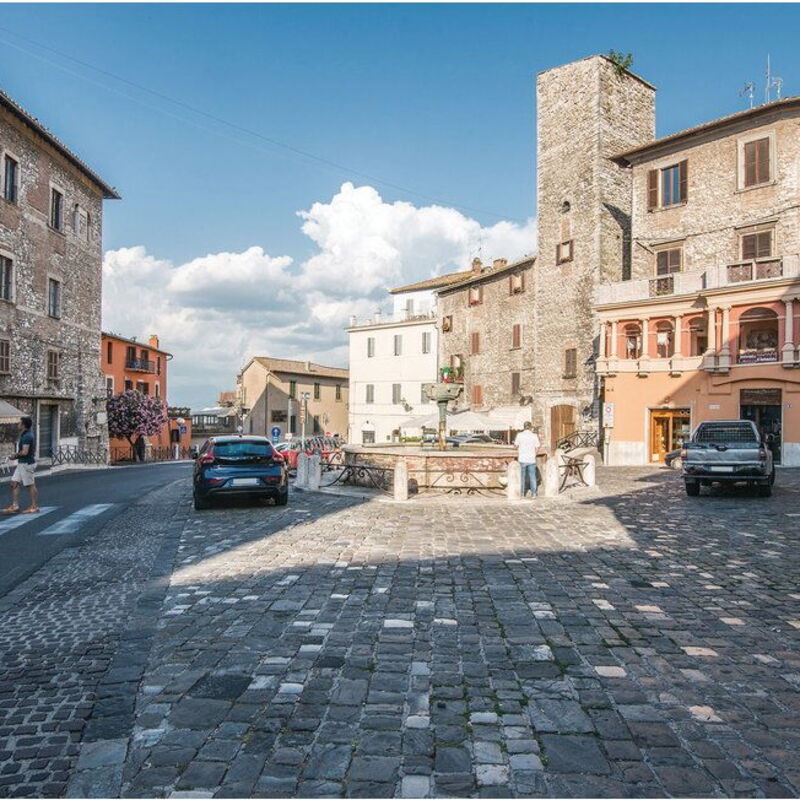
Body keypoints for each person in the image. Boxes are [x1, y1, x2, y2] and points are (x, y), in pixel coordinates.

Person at [4, 416, 39, 514]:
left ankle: (34, 506)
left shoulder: (28, 436)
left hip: (26, 464)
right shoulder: (24, 435)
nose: (18, 424)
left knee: (30, 485)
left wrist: (14, 456)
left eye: (19, 423)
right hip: (21, 464)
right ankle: (15, 506)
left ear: (23, 425)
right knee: (14, 483)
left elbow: (25, 452)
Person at [514, 421, 541, 498]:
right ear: (530, 427)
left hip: (522, 458)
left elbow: (515, 446)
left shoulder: (519, 435)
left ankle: (522, 494)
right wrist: (534, 454)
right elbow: (538, 446)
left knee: (522, 477)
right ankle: (534, 494)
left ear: (524, 427)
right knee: (532, 476)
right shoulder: (534, 435)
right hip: (531, 459)